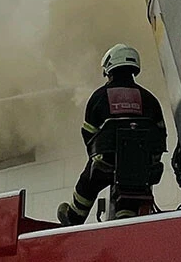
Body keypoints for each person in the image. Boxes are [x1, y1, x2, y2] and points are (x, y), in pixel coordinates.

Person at [57, 44, 166, 226]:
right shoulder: (150, 99)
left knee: (88, 182)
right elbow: (161, 135)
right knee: (131, 183)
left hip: (105, 163)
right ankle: (125, 215)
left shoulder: (99, 97)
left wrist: (99, 155)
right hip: (141, 167)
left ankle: (73, 217)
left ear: (110, 68)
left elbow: (89, 134)